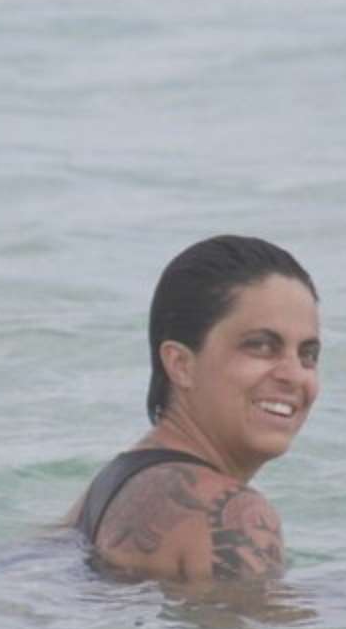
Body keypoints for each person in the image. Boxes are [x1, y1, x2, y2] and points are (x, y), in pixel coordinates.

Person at [67, 235, 320, 584]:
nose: (294, 375)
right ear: (181, 364)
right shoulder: (233, 513)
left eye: (308, 354)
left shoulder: (107, 492)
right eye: (261, 346)